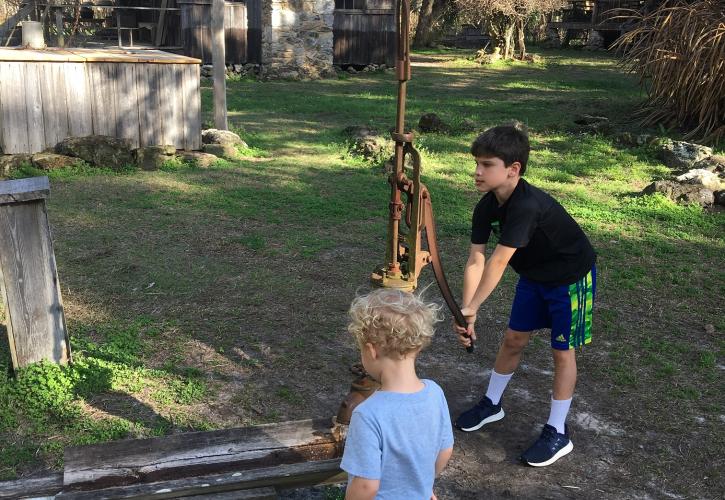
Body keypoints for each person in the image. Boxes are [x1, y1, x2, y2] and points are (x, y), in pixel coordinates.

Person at [454, 123, 597, 467]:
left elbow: (499, 261)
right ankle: (492, 404)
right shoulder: (486, 206)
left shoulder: (527, 206)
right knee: (514, 339)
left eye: (486, 165)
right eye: (476, 163)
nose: (477, 171)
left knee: (562, 352)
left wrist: (474, 306)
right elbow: (476, 259)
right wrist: (466, 311)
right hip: (534, 277)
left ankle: (558, 431)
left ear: (513, 169)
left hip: (570, 278)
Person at [341, 288, 454, 499]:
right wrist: (425, 486)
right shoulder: (435, 393)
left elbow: (366, 486)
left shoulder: (368, 415)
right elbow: (445, 450)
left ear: (371, 350)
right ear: (417, 346)